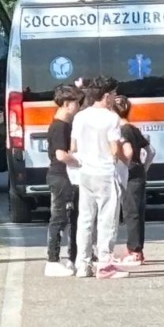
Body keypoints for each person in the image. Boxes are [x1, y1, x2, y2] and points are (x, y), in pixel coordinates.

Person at [69, 76, 128, 279]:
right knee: (107, 220)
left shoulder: (80, 116)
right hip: (105, 172)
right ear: (106, 96)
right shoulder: (111, 118)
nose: (114, 98)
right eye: (113, 94)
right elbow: (114, 148)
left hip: (85, 172)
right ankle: (104, 264)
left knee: (85, 219)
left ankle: (82, 264)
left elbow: (73, 147)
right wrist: (125, 160)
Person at [44, 86, 82, 277]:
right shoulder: (59, 126)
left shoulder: (66, 125)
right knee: (59, 218)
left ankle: (72, 258)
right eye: (77, 103)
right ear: (67, 104)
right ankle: (52, 260)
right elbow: (61, 155)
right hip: (60, 177)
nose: (79, 107)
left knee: (72, 217)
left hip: (65, 176)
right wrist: (79, 163)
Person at [113, 95, 155, 266]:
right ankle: (138, 249)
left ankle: (134, 250)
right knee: (138, 211)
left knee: (131, 212)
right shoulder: (134, 129)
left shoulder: (122, 131)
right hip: (138, 171)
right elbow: (151, 151)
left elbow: (126, 152)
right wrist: (144, 167)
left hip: (128, 172)